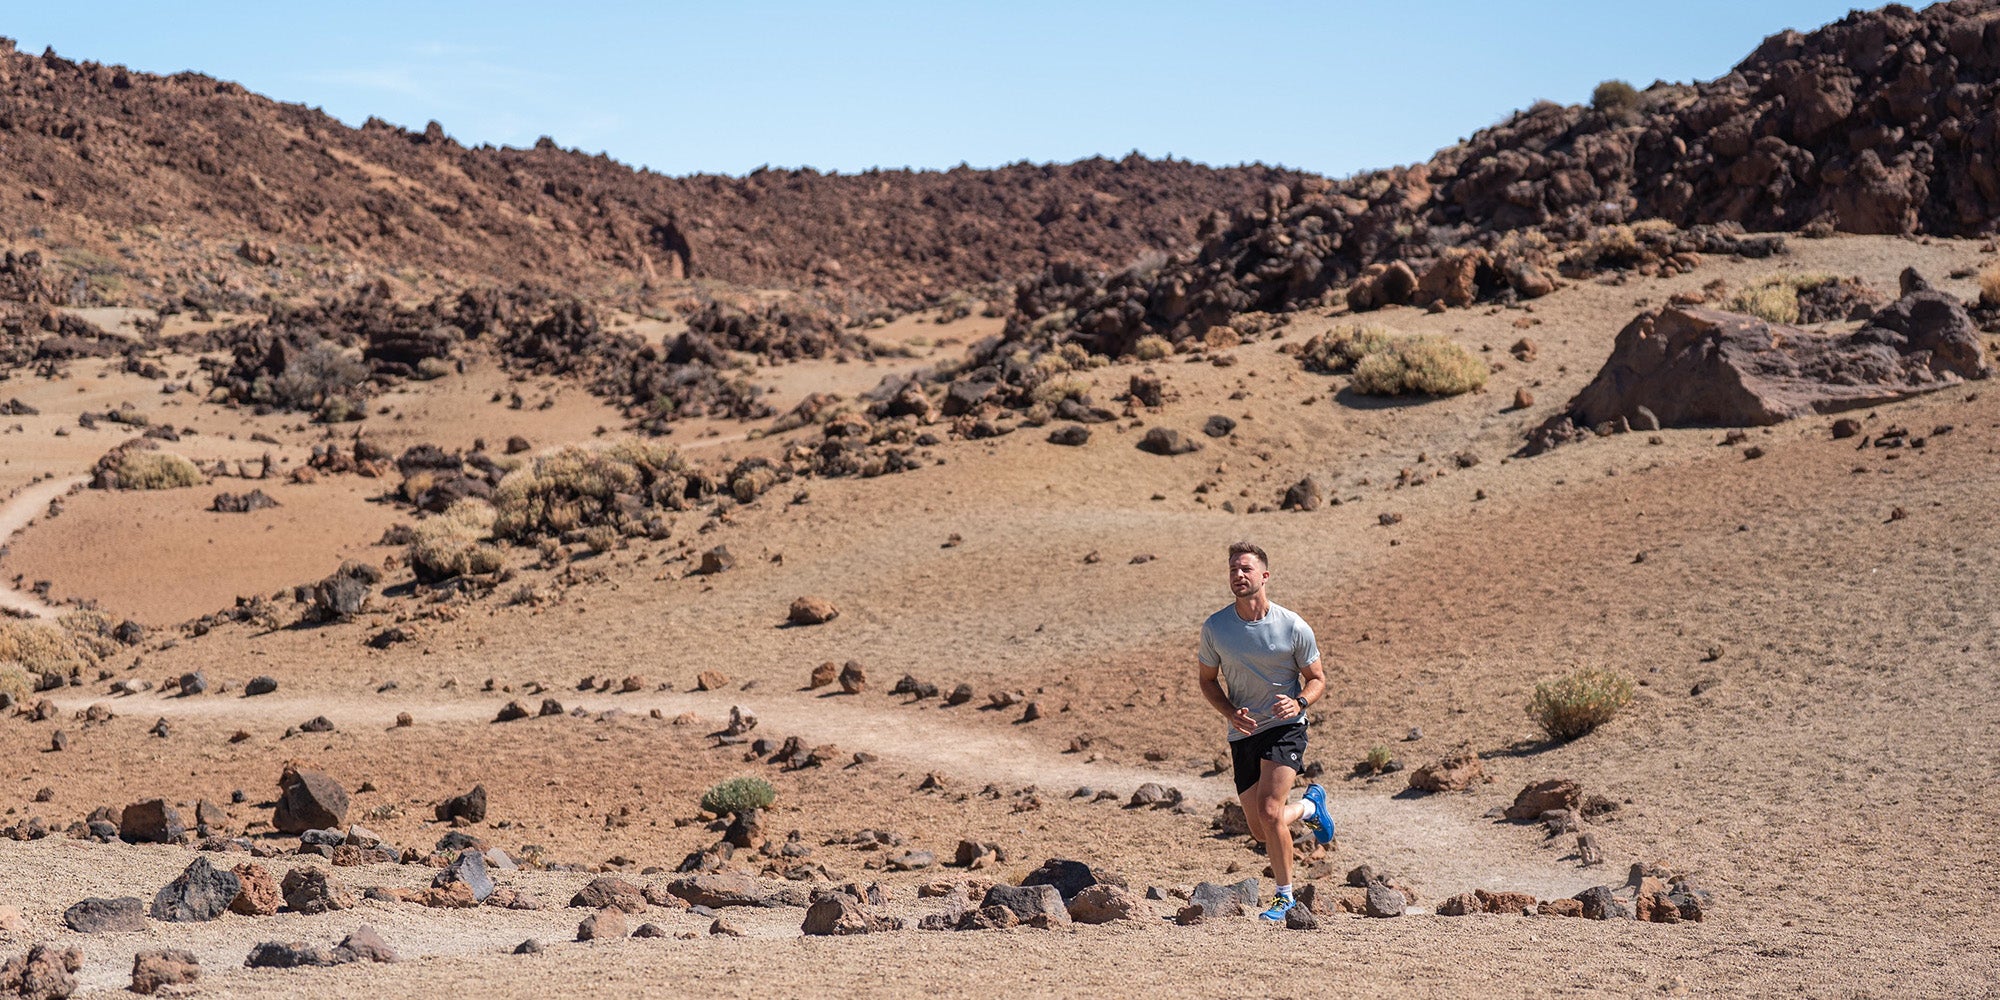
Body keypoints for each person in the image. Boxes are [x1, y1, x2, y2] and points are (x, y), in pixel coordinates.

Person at [1196, 540, 1334, 922]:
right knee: (1261, 829)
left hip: (1285, 727)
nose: (1238, 575)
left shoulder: (1292, 625)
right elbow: (1207, 681)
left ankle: (1284, 897)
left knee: (1270, 811)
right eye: (1233, 570)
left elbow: (1318, 679)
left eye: (1246, 569)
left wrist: (1300, 703)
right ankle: (1310, 806)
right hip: (1243, 733)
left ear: (1264, 576)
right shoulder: (1217, 627)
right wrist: (1229, 712)